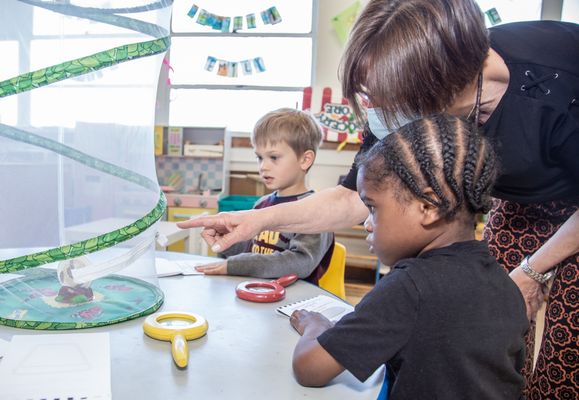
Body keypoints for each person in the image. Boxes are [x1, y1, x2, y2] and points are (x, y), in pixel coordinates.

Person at [178, 1, 579, 397]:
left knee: (563, 348)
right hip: (514, 209)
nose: (382, 112)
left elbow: (314, 367)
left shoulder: (560, 77)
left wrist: (533, 271)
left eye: (390, 101)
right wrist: (258, 221)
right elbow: (351, 197)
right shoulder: (410, 97)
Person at [290, 114, 528, 399]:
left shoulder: (409, 288)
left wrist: (315, 326)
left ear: (428, 207)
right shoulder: (504, 282)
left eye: (373, 208)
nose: (366, 223)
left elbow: (309, 368)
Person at [195, 108, 334, 284]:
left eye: (274, 157)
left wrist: (236, 265)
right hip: (256, 291)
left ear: (305, 160)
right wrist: (226, 242)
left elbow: (301, 263)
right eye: (260, 158)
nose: (263, 167)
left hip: (294, 302)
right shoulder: (262, 204)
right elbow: (251, 251)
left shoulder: (316, 210)